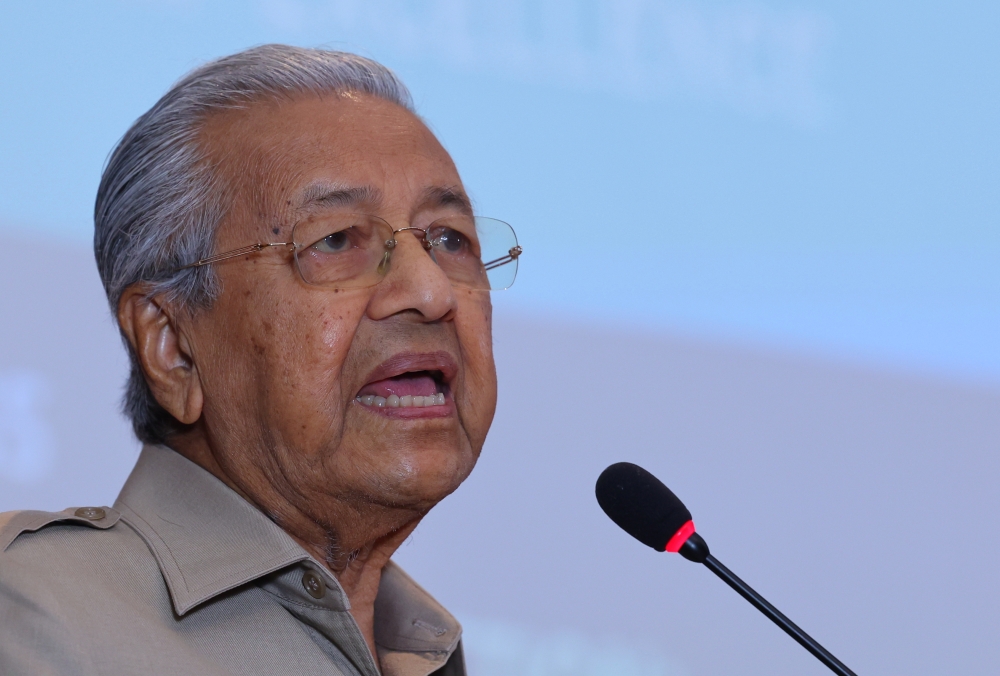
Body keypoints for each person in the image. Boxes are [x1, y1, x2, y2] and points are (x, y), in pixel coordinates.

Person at [0, 44, 521, 676]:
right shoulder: (33, 614)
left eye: (449, 239)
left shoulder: (423, 650)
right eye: (334, 240)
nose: (432, 291)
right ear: (172, 345)